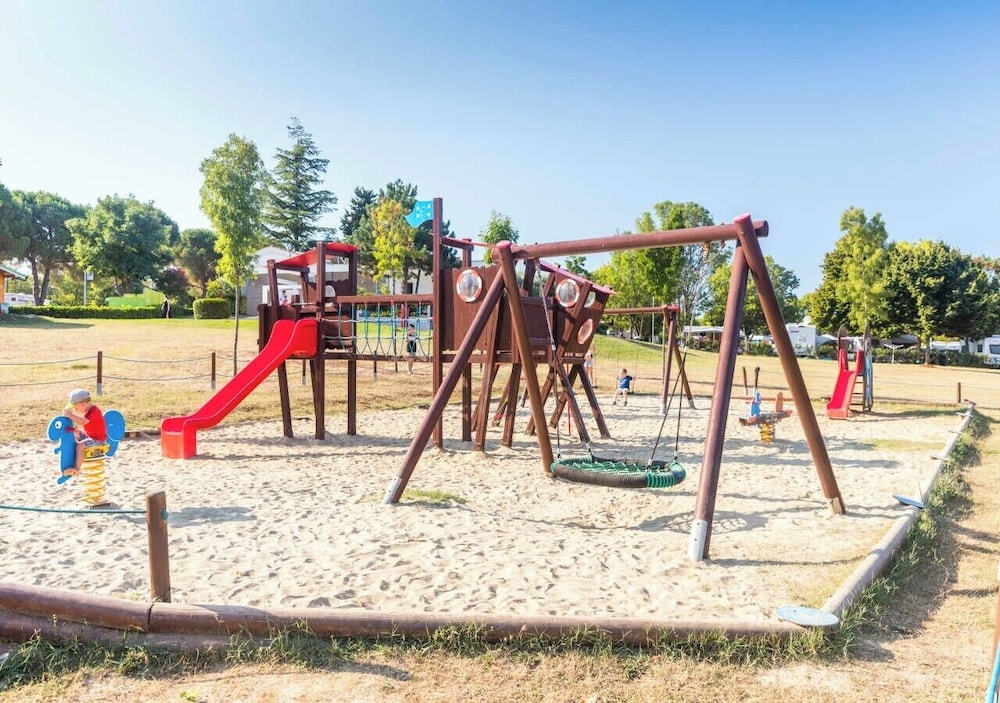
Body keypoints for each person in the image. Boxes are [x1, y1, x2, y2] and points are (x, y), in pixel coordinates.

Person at [62, 388, 108, 472]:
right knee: (75, 433)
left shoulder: (94, 411)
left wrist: (69, 415)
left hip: (98, 440)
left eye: (76, 408)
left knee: (80, 446)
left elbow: (83, 421)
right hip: (90, 436)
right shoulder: (88, 411)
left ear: (83, 404)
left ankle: (76, 468)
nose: (75, 410)